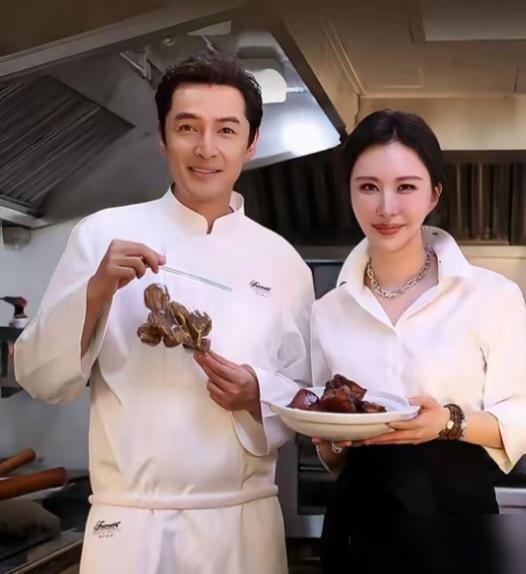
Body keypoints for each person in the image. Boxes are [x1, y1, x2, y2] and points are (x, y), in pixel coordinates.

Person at [15, 50, 314, 574]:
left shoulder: (284, 263)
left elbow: (303, 398)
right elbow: (38, 377)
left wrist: (258, 395)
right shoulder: (103, 234)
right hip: (132, 526)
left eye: (226, 130)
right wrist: (96, 292)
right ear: (162, 137)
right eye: (187, 127)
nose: (206, 148)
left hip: (243, 526)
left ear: (251, 143)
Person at [311, 110, 526, 574]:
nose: (386, 207)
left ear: (434, 194)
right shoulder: (327, 311)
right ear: (349, 192)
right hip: (357, 525)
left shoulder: (493, 296)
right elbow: (331, 450)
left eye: (406, 187)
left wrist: (447, 422)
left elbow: (520, 418)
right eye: (369, 187)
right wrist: (331, 440)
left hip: (457, 521)